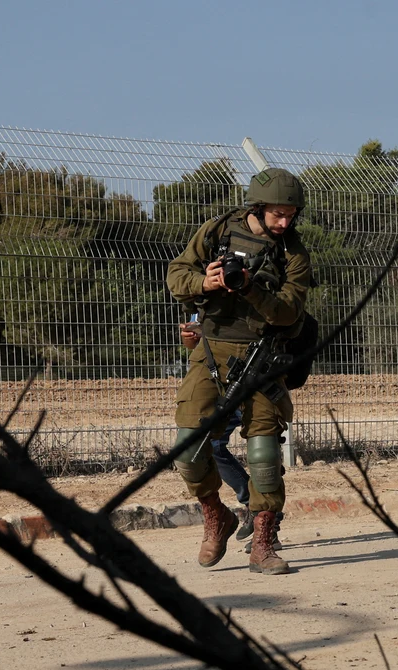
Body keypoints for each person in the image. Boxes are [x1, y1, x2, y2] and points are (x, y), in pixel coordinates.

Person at [166, 169, 314, 574]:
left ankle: (263, 543)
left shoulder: (294, 254)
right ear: (259, 207)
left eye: (291, 215)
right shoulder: (217, 232)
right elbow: (176, 275)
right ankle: (216, 515)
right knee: (187, 448)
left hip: (265, 354)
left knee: (264, 452)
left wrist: (251, 287)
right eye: (278, 214)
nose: (285, 223)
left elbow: (289, 310)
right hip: (210, 350)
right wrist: (205, 282)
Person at [179, 317, 258, 543]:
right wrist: (190, 338)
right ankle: (252, 506)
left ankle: (267, 526)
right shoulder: (201, 288)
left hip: (254, 370)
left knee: (263, 446)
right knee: (209, 446)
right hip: (220, 381)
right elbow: (196, 341)